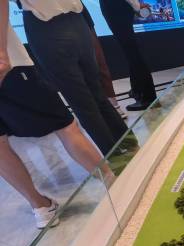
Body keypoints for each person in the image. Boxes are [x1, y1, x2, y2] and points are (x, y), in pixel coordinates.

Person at [1, 4, 115, 228]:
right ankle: (113, 183)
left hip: (21, 56)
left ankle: (41, 207)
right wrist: (2, 53)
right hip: (11, 65)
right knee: (66, 127)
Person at [17, 0, 129, 157]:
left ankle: (118, 158)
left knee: (83, 104)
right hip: (77, 23)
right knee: (98, 95)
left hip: (46, 27)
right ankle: (131, 146)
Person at [100, 0, 157, 111]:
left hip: (115, 6)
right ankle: (137, 90)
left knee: (131, 51)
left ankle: (148, 97)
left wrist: (137, 5)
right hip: (116, 6)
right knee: (130, 50)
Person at [80, 3, 127, 119]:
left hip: (80, 18)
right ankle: (92, 110)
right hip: (51, 24)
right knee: (76, 71)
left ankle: (114, 105)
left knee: (99, 62)